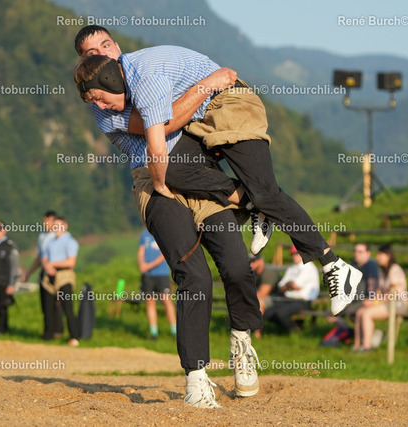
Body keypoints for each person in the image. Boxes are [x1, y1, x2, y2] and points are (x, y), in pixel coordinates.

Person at [73, 45, 362, 316]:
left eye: (98, 97)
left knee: (265, 193)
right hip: (202, 120)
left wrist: (159, 186)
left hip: (230, 104)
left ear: (110, 78)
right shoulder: (125, 89)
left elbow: (161, 137)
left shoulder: (143, 79)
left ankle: (333, 264)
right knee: (176, 169)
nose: (100, 106)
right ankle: (254, 207)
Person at [75, 25, 265, 408]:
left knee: (236, 265)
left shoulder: (149, 70)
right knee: (193, 274)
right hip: (154, 180)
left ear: (116, 46)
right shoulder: (103, 106)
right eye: (91, 52)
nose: (102, 53)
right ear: (86, 64)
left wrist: (211, 86)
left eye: (106, 44)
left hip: (196, 172)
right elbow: (165, 123)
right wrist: (208, 83)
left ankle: (242, 341)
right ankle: (196, 376)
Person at [353, 244, 408, 353]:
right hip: (387, 303)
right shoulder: (382, 271)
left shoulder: (395, 269)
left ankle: (367, 346)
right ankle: (357, 345)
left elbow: (392, 293)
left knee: (367, 314)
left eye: (380, 254)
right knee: (360, 312)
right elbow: (379, 291)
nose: (378, 257)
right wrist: (372, 301)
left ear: (388, 256)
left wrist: (375, 303)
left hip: (399, 304)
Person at [22, 210, 64, 340]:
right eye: (44, 221)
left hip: (56, 271)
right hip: (44, 271)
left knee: (57, 302)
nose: (45, 224)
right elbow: (40, 257)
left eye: (48, 221)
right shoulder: (42, 236)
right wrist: (29, 272)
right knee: (46, 303)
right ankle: (48, 331)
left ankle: (58, 330)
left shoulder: (59, 236)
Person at [262, 245, 320, 333]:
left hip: (303, 301)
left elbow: (296, 285)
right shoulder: (292, 267)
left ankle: (295, 331)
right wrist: (290, 285)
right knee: (267, 313)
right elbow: (281, 286)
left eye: (296, 253)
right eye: (292, 254)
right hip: (289, 299)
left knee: (281, 313)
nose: (294, 256)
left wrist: (288, 285)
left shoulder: (308, 267)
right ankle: (294, 326)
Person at [42, 217, 80, 347]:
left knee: (67, 307)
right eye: (55, 225)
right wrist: (47, 266)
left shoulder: (70, 241)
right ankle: (48, 334)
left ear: (65, 226)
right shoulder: (50, 242)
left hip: (64, 276)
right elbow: (45, 258)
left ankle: (73, 336)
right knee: (48, 307)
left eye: (59, 225)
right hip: (50, 275)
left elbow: (71, 262)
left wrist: (53, 264)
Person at [138, 229, 177, 340]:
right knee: (150, 302)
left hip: (161, 274)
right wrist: (141, 265)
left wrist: (148, 266)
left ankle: (174, 330)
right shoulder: (144, 235)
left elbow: (164, 255)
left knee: (166, 300)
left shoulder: (163, 233)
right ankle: (153, 332)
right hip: (148, 276)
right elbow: (141, 252)